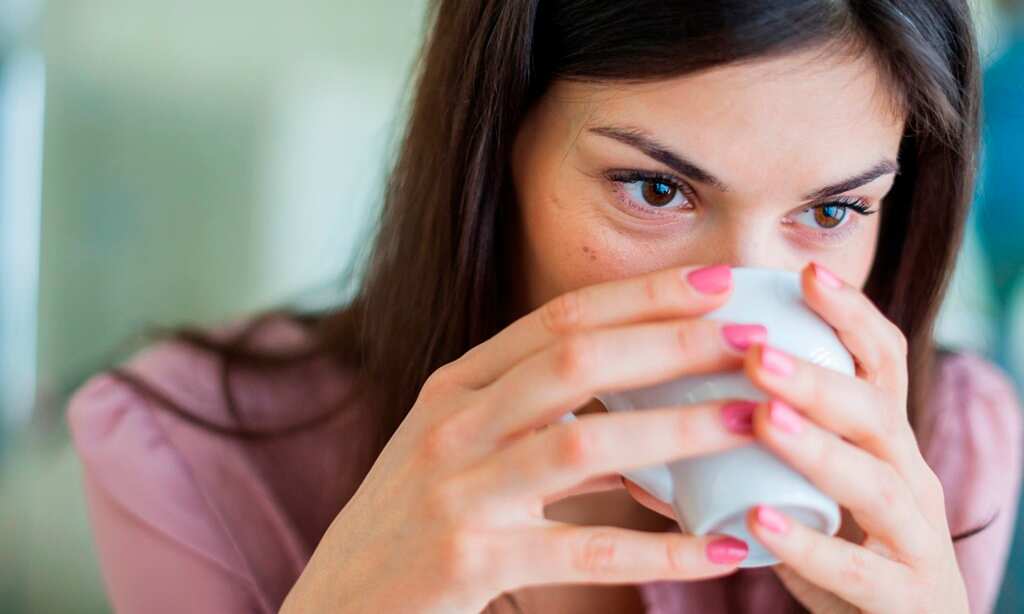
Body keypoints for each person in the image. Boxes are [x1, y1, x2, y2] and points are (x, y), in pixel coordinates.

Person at [67, 1, 1023, 613]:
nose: (735, 307)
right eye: (656, 190)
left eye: (831, 209)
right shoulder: (193, 458)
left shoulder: (948, 450)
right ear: (497, 152)